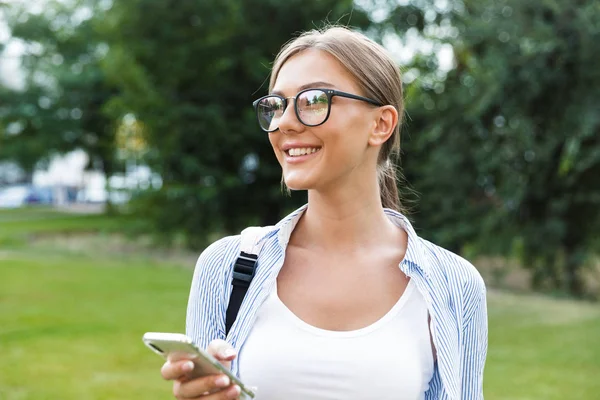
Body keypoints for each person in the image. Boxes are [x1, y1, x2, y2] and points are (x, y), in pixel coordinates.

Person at [161, 25, 487, 400]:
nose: (284, 122)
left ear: (381, 124)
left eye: (313, 101)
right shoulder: (227, 266)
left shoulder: (454, 284)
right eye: (277, 105)